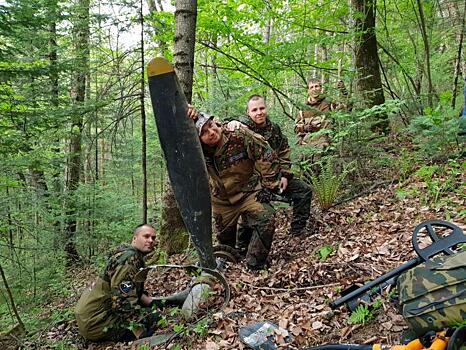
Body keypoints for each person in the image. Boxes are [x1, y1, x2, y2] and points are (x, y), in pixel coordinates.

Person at [190, 109, 281, 270]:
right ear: (198, 138)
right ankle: (229, 266)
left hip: (249, 192)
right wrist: (186, 109)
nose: (211, 132)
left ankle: (254, 265)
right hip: (221, 201)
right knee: (225, 242)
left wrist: (269, 186)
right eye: (204, 132)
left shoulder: (237, 134)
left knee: (266, 218)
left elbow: (265, 152)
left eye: (211, 126)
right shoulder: (195, 151)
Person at [226, 95, 312, 236]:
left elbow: (284, 151)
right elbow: (221, 127)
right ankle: (242, 248)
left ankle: (298, 231)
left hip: (274, 179)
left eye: (262, 108)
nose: (259, 112)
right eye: (254, 110)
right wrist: (232, 122)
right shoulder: (242, 129)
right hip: (252, 186)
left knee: (304, 191)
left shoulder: (274, 129)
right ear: (248, 112)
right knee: (251, 215)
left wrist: (285, 175)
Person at [75, 224, 160, 342]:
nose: (151, 241)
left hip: (89, 317)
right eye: (146, 236)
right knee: (154, 318)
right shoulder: (129, 259)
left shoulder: (127, 254)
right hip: (97, 322)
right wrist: (139, 332)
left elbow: (132, 289)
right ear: (135, 238)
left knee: (151, 311)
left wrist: (151, 302)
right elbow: (122, 301)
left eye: (153, 238)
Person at [294, 78, 349, 155]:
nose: (314, 89)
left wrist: (343, 90)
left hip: (325, 145)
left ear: (321, 88)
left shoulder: (328, 103)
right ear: (308, 90)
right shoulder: (303, 108)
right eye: (311, 87)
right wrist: (306, 127)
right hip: (307, 147)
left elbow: (346, 106)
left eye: (316, 86)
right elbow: (296, 128)